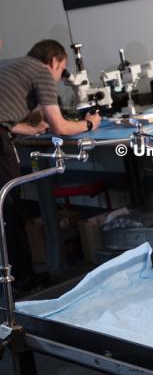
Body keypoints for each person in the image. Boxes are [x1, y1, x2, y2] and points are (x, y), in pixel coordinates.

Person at [0, 39, 101, 290]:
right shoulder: (41, 71)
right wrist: (90, 124)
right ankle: (23, 282)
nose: (57, 79)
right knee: (7, 208)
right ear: (54, 61)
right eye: (60, 71)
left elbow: (8, 122)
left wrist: (32, 128)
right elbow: (60, 127)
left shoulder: (10, 66)